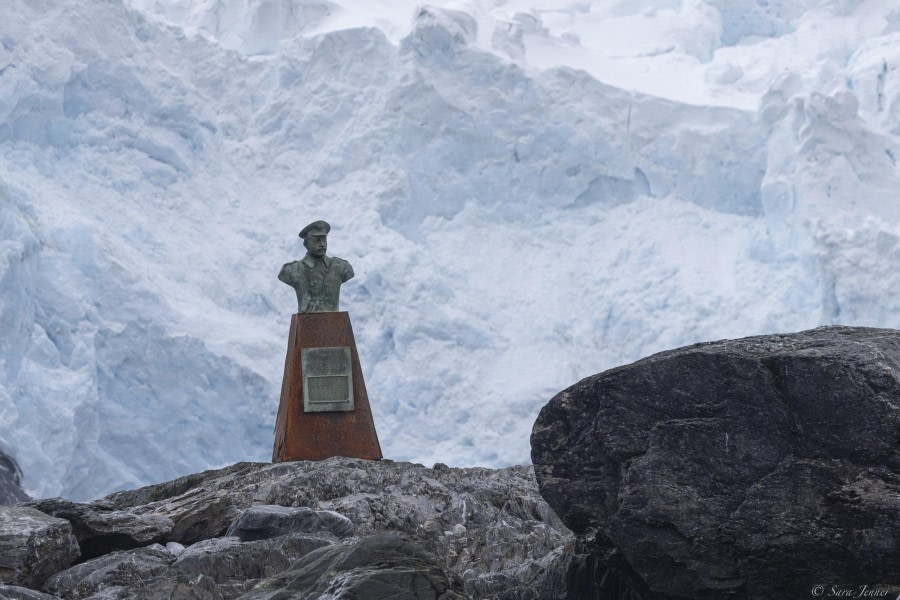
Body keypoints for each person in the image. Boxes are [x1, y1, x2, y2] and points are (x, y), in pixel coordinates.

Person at [278, 220, 354, 313]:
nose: (322, 244)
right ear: (306, 244)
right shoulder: (291, 270)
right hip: (306, 322)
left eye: (324, 239)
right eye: (316, 240)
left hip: (333, 321)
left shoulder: (341, 267)